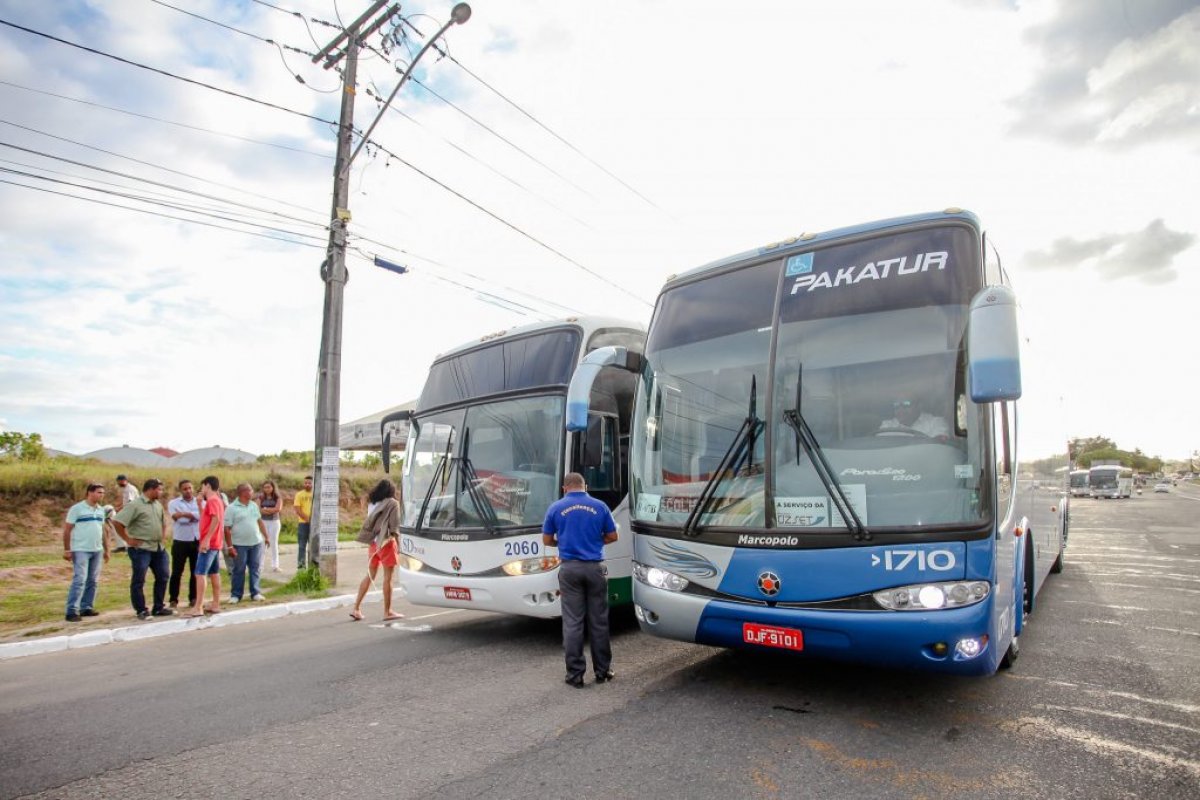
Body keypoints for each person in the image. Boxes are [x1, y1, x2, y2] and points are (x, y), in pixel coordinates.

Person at [542, 472, 618, 687]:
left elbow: (546, 539)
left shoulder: (555, 508)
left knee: (573, 622)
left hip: (569, 570)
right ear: (586, 486)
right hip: (595, 569)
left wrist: (562, 543)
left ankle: (575, 675)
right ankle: (603, 671)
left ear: (564, 488)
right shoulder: (600, 506)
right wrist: (595, 541)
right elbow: (613, 536)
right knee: (599, 622)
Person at [112, 478, 173, 620]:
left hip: (158, 547)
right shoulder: (135, 505)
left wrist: (162, 536)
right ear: (150, 489)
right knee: (139, 579)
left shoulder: (157, 505)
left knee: (163, 576)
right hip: (141, 548)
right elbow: (117, 522)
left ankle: (158, 607)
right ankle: (141, 609)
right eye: (159, 489)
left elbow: (163, 522)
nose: (161, 492)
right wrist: (127, 539)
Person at [349, 480, 405, 623]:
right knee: (388, 578)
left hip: (373, 545)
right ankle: (387, 612)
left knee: (369, 575)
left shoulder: (372, 503)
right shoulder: (393, 503)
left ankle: (356, 608)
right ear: (391, 491)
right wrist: (399, 545)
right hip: (386, 543)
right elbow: (394, 527)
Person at [62, 482, 111, 622]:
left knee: (93, 580)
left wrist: (107, 550)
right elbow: (67, 530)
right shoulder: (77, 509)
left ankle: (86, 607)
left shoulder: (100, 510)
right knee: (80, 580)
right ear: (90, 493)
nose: (101, 495)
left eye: (103, 493)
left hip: (97, 550)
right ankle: (71, 611)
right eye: (99, 492)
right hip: (81, 549)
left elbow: (103, 531)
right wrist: (67, 549)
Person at [185, 475, 225, 617]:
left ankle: (198, 607)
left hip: (210, 543)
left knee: (200, 573)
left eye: (203, 486)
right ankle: (215, 603)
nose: (201, 489)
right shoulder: (216, 501)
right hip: (215, 542)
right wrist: (199, 504)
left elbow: (216, 519)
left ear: (207, 485)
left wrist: (206, 539)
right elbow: (206, 518)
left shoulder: (213, 500)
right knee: (214, 573)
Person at [224, 483, 268, 603]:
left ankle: (255, 593)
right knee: (239, 569)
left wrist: (266, 536)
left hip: (256, 542)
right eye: (250, 490)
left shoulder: (253, 505)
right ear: (243, 492)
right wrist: (230, 546)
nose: (252, 492)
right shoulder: (231, 508)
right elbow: (226, 529)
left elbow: (259, 521)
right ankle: (236, 595)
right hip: (239, 544)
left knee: (255, 568)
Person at [167, 479, 201, 609]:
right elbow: (178, 519)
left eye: (190, 488)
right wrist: (194, 516)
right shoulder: (173, 503)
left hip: (196, 540)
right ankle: (173, 599)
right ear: (181, 490)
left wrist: (185, 514)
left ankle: (193, 597)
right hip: (180, 541)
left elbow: (202, 516)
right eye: (185, 489)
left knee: (195, 572)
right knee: (177, 572)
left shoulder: (200, 502)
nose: (188, 491)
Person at [879, 392, 950, 438]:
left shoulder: (936, 423)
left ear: (919, 406)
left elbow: (939, 447)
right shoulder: (887, 426)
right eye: (896, 405)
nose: (900, 409)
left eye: (906, 404)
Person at [255, 480, 283, 573]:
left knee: (274, 543)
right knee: (262, 543)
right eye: (265, 487)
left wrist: (265, 509)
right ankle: (260, 566)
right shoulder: (260, 497)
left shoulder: (278, 498)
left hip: (274, 522)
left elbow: (278, 509)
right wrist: (270, 510)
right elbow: (257, 509)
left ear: (273, 487)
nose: (267, 489)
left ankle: (275, 565)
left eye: (269, 487)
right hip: (263, 522)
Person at [110, 474, 138, 552]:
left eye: (119, 481)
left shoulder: (129, 489)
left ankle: (124, 546)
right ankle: (123, 545)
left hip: (133, 512)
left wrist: (118, 509)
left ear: (122, 481)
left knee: (116, 523)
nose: (118, 483)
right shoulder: (127, 488)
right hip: (130, 511)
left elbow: (129, 503)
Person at [293, 475, 313, 570]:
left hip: (315, 525)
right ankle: (301, 567)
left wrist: (314, 521)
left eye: (309, 483)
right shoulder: (299, 494)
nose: (307, 484)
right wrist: (308, 519)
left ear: (313, 483)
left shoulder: (316, 494)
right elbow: (297, 509)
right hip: (303, 524)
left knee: (313, 546)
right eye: (305, 483)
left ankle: (313, 567)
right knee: (302, 546)